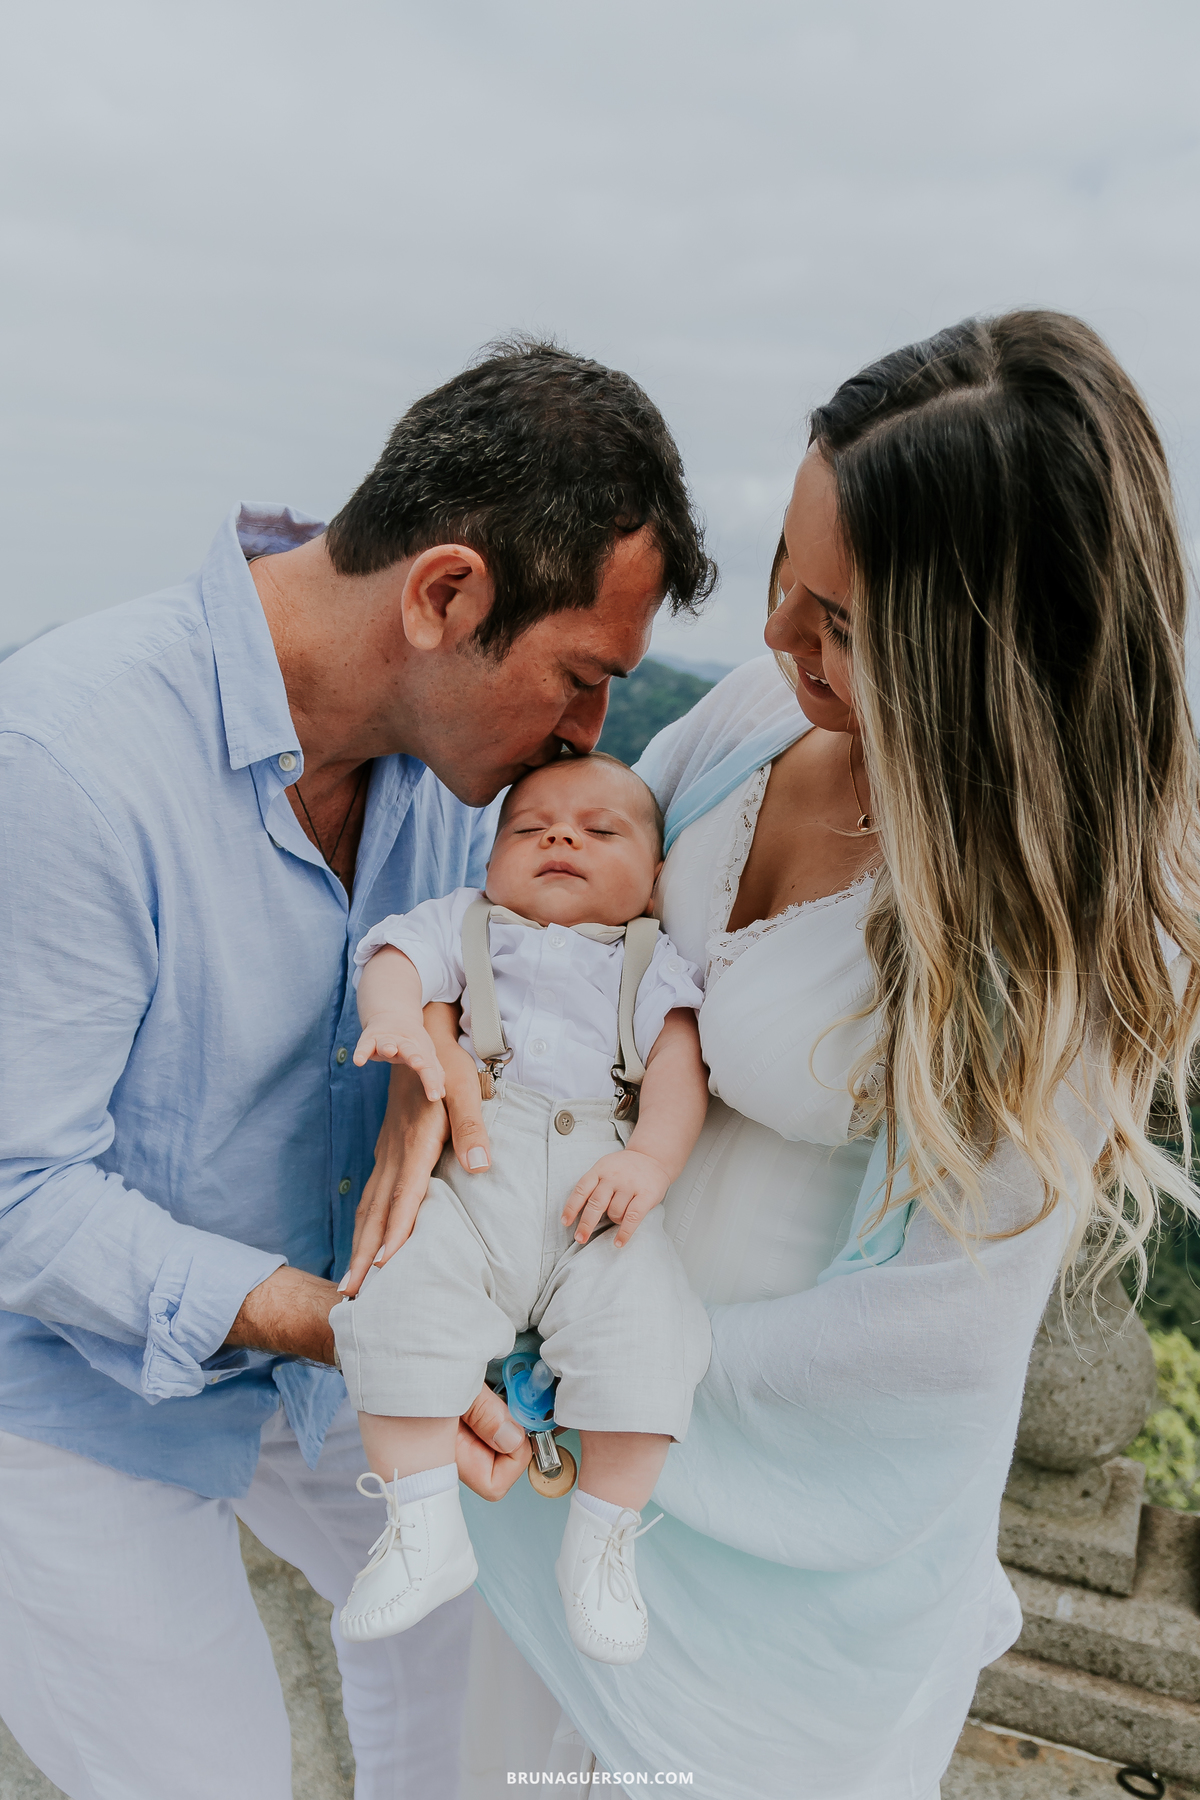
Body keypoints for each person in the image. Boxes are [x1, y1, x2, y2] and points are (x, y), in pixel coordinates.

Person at [444, 312, 1200, 1799]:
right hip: (549, 1423)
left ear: (986, 653)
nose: (781, 638)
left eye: (843, 626)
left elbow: (931, 1341)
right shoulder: (741, 724)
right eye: (788, 578)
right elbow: (572, 949)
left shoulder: (1043, 934)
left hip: (742, 1538)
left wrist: (571, 1375)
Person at [0, 341, 714, 1800]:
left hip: (334, 1364)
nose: (589, 741)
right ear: (445, 594)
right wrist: (341, 1324)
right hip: (61, 1380)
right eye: (581, 680)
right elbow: (18, 1195)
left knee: (510, 1692)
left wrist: (432, 1073)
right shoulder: (62, 759)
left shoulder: (475, 787)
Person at [330, 752, 710, 1661]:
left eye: (599, 829)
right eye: (529, 827)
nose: (561, 837)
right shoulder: (466, 924)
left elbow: (678, 1069)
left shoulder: (652, 961)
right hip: (475, 1178)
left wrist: (652, 1161)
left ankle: (603, 1542)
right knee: (391, 1295)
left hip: (598, 1198)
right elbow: (390, 957)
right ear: (491, 857)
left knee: (652, 1334)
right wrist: (391, 1017)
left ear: (654, 882)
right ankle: (421, 1529)